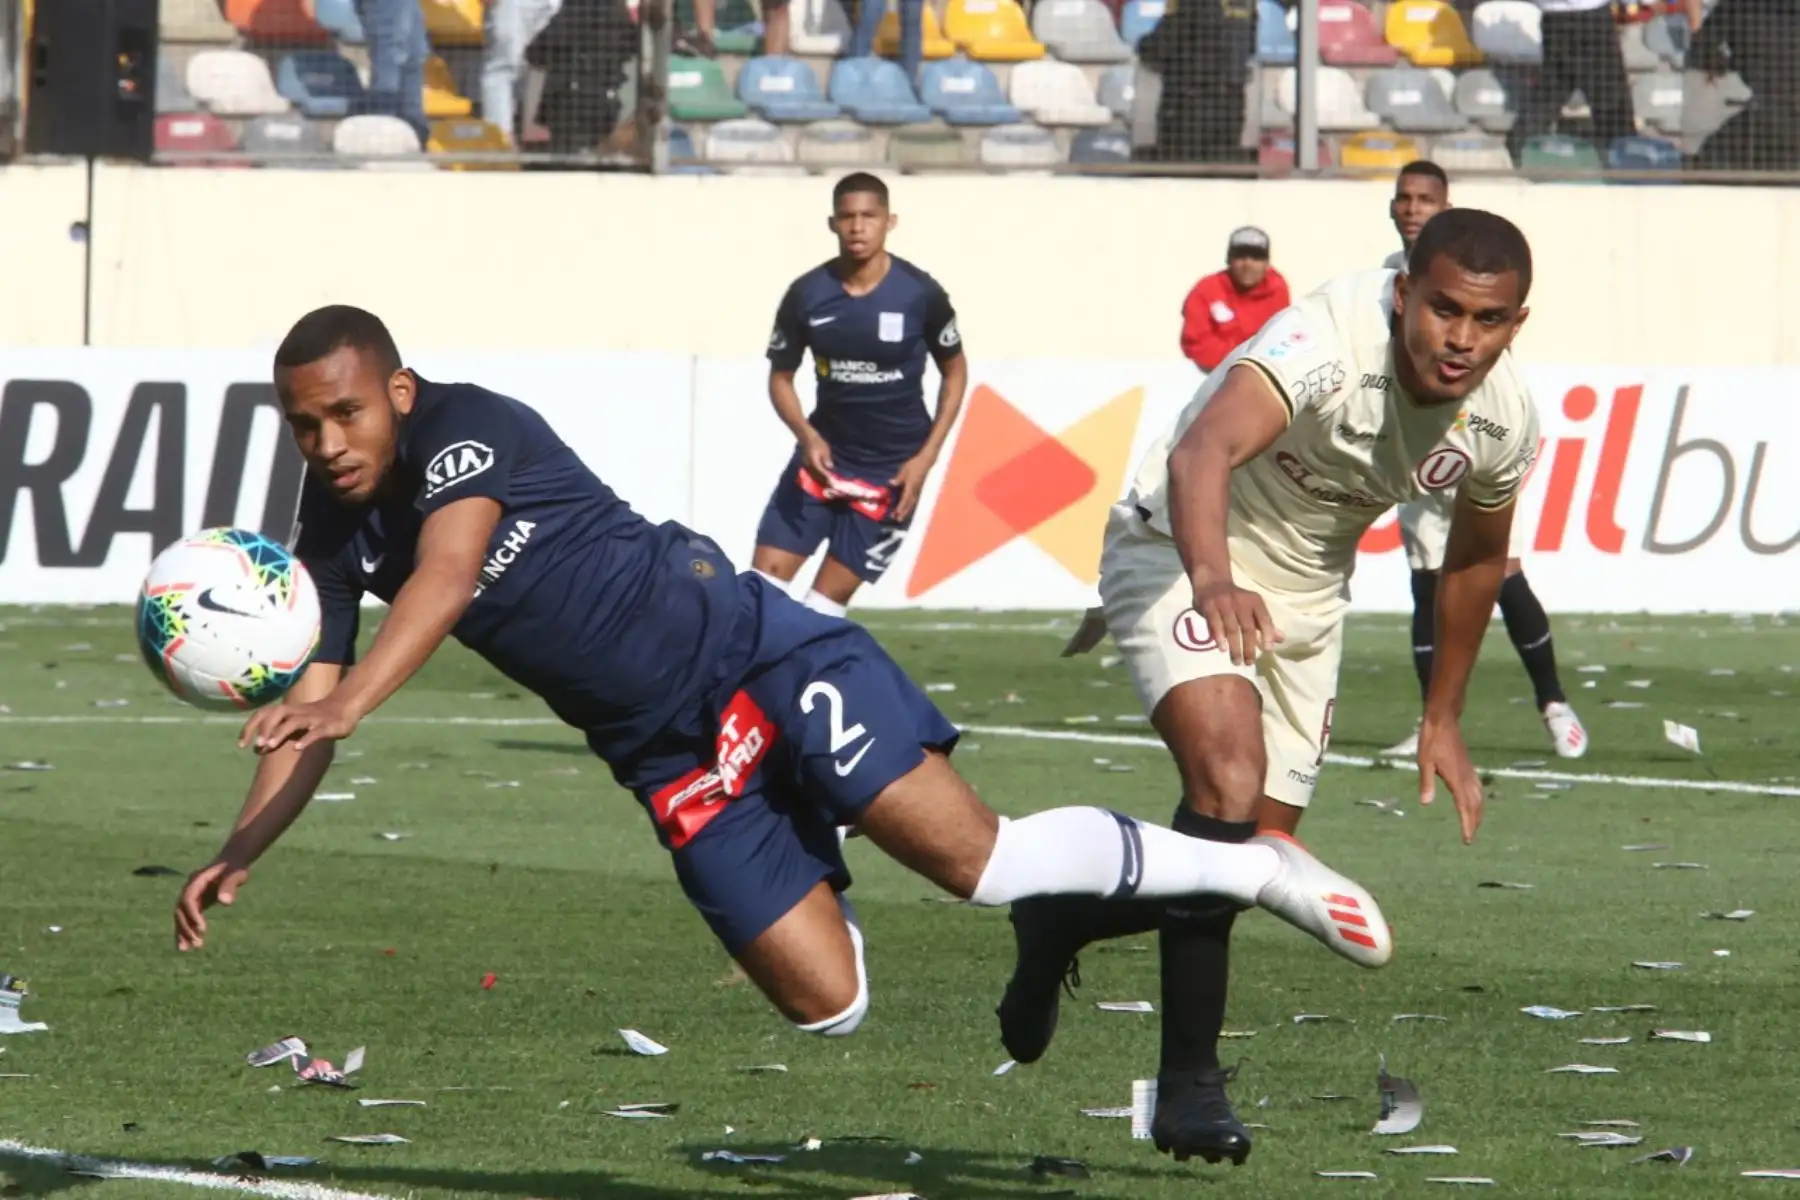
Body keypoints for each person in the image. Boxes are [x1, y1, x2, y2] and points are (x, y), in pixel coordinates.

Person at [170, 306, 1393, 1042]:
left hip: (750, 649)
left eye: (343, 414)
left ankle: (1253, 869)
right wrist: (242, 848)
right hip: (666, 753)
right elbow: (310, 715)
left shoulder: (464, 426)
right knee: (831, 1007)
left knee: (983, 866)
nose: (327, 444)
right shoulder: (329, 526)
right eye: (302, 424)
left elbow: (440, 581)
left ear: (394, 389)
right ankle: (811, 818)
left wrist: (345, 694)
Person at [1013, 209, 1539, 1166]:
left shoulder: (1505, 420)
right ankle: (1187, 1089)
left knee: (1254, 859)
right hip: (1184, 544)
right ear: (1403, 293)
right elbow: (1199, 452)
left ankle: (1063, 913)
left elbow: (1475, 557)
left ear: (1517, 323)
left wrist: (1444, 713)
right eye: (1444, 310)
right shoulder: (1325, 340)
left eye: (1488, 321)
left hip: (1308, 599)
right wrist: (1214, 581)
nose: (1461, 339)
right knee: (1227, 780)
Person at [1377, 163, 1585, 761]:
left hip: (1472, 432)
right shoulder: (1391, 278)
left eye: (1425, 199)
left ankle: (1552, 701)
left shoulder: (1475, 272)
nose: (1413, 208)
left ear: (1444, 207)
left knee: (1500, 569)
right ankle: (1433, 722)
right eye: (1405, 198)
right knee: (1425, 580)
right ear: (1393, 208)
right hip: (1414, 439)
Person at [751, 174, 967, 617]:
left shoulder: (921, 295)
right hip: (821, 464)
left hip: (892, 474)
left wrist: (925, 459)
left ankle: (794, 685)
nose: (857, 227)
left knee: (819, 614)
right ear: (832, 224)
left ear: (890, 222)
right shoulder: (807, 295)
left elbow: (956, 371)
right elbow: (780, 377)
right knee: (757, 597)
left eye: (869, 216)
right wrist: (807, 436)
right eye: (847, 217)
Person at [1505, 0, 1634, 166]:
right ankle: (1623, 157)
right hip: (1590, 15)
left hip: (1553, 17)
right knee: (1610, 94)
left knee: (1554, 87)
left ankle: (1520, 144)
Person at [1180, 226, 1291, 372]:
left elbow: (1282, 338)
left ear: (1266, 263)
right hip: (1213, 376)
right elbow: (1196, 343)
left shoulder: (1277, 289)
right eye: (1240, 256)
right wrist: (1242, 361)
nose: (1248, 264)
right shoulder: (1207, 290)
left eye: (1257, 257)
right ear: (1229, 260)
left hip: (1263, 375)